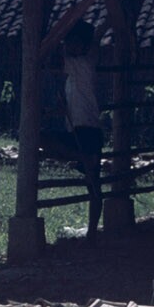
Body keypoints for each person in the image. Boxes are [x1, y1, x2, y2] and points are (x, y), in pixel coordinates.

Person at [41, 19, 104, 241]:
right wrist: (51, 112)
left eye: (72, 43)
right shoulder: (75, 73)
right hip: (79, 129)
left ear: (82, 45)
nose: (68, 46)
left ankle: (79, 157)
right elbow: (69, 106)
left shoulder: (81, 64)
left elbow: (53, 62)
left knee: (93, 184)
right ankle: (80, 157)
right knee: (93, 183)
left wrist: (55, 38)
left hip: (88, 130)